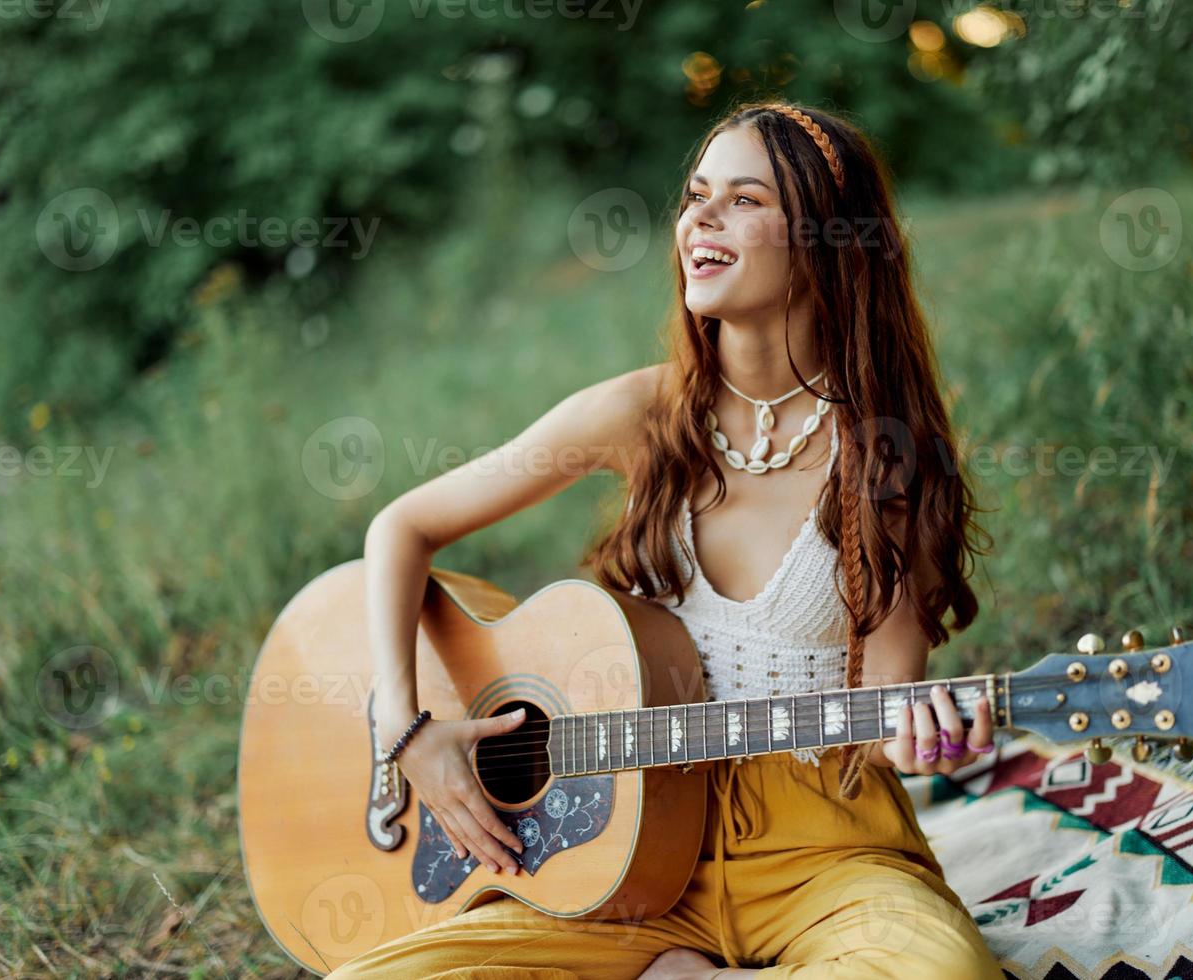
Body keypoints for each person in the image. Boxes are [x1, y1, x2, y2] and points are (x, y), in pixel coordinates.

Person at [328, 100, 1004, 979]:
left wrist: (922, 736)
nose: (701, 220)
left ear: (828, 242)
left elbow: (884, 714)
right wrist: (405, 728)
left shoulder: (886, 457)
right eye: (696, 195)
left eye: (745, 200)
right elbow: (403, 528)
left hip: (824, 853)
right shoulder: (642, 414)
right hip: (624, 854)